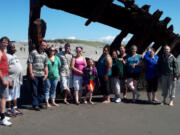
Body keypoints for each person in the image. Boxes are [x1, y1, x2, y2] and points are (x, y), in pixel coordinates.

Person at [27, 40, 48, 111]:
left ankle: (40, 103)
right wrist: (31, 73)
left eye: (45, 45)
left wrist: (46, 74)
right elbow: (30, 63)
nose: (44, 46)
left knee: (42, 90)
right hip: (35, 74)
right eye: (42, 45)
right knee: (34, 90)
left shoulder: (45, 54)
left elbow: (46, 65)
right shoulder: (33, 52)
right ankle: (35, 104)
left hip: (42, 74)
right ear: (40, 45)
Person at [6, 42, 23, 117]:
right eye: (12, 47)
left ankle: (15, 108)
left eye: (14, 47)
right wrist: (7, 80)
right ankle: (8, 109)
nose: (14, 48)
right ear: (8, 48)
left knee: (16, 95)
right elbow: (4, 69)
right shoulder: (6, 56)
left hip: (17, 79)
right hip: (11, 79)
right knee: (9, 95)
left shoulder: (15, 56)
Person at [0, 36, 12, 126]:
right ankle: (3, 118)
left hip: (5, 76)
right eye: (4, 42)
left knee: (4, 96)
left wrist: (8, 79)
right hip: (2, 77)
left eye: (7, 43)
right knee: (3, 98)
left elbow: (5, 67)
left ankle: (1, 115)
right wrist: (3, 80)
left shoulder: (3, 52)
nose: (5, 44)